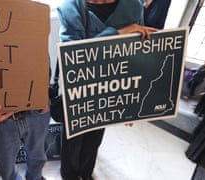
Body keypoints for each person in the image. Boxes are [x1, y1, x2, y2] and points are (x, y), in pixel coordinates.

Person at [57, 0, 157, 179]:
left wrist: (133, 103)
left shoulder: (134, 5)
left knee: (95, 136)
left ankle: (86, 172)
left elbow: (138, 53)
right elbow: (73, 57)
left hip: (111, 89)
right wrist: (117, 33)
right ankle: (69, 174)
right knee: (73, 137)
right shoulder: (70, 7)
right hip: (79, 89)